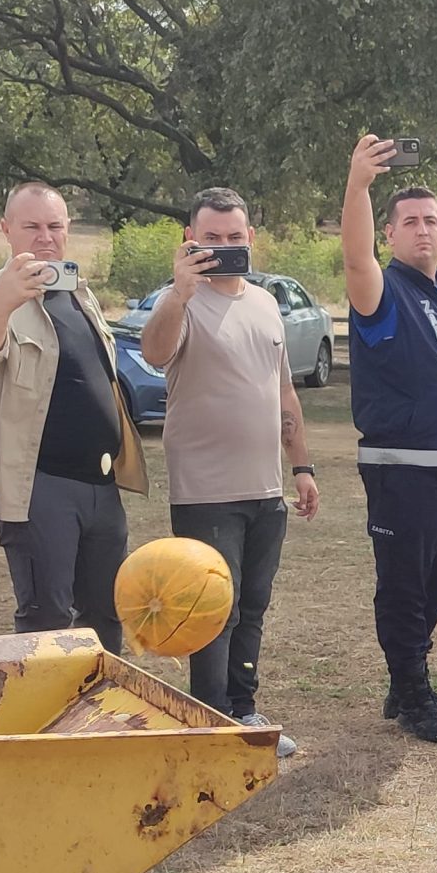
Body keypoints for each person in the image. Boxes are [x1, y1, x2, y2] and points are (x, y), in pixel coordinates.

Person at [136, 186, 321, 758]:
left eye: (234, 238)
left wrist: (303, 466)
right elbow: (155, 353)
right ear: (190, 240)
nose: (223, 247)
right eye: (210, 238)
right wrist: (178, 293)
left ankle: (243, 709)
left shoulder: (266, 304)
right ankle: (208, 718)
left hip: (265, 488)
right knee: (211, 607)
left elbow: (284, 389)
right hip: (206, 491)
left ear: (251, 240)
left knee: (252, 606)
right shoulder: (181, 301)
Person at [0, 183, 148, 650]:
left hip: (101, 485)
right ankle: (48, 722)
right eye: (32, 226)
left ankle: (98, 717)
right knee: (48, 618)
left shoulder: (79, 291)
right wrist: (5, 298)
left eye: (55, 226)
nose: (45, 237)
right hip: (38, 486)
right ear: (6, 231)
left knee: (106, 613)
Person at [339, 134, 437, 743]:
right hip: (403, 468)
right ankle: (412, 691)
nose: (422, 230)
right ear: (390, 235)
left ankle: (409, 680)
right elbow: (354, 259)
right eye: (409, 222)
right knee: (403, 585)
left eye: (431, 220)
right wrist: (358, 184)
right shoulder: (382, 292)